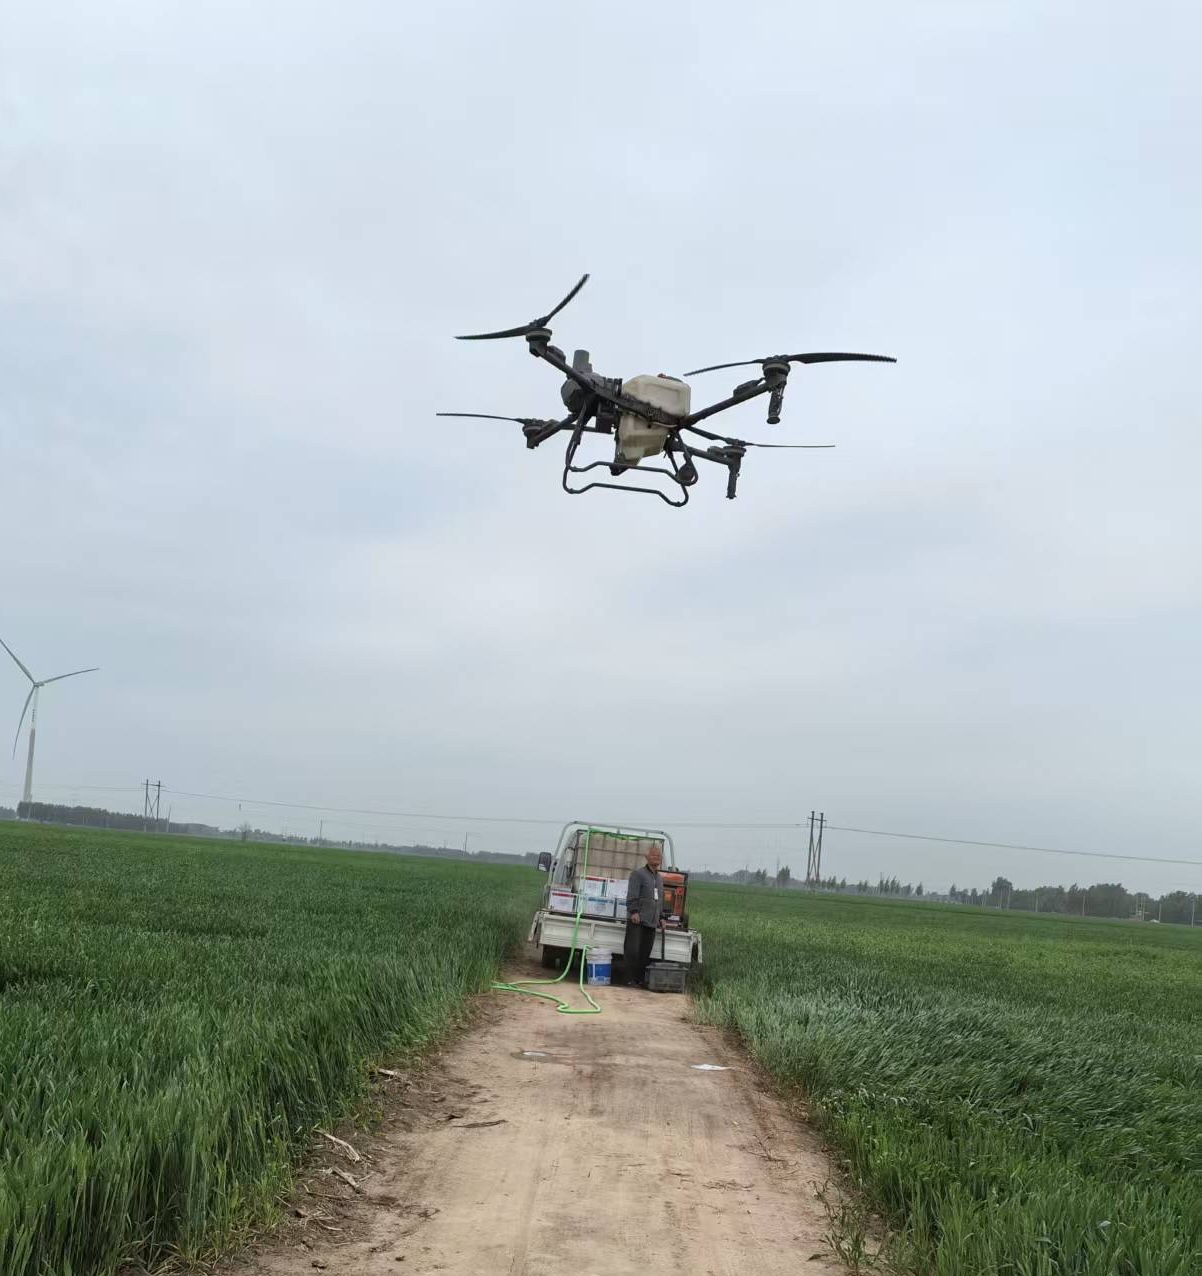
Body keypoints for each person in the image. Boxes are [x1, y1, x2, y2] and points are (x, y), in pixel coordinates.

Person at [624, 843, 665, 988]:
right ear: (646, 857)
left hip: (651, 921)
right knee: (633, 951)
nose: (656, 858)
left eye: (658, 856)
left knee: (645, 953)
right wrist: (634, 912)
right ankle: (630, 979)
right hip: (638, 920)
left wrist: (661, 918)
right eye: (653, 855)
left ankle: (640, 980)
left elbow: (659, 900)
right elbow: (632, 895)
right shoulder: (638, 874)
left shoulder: (659, 878)